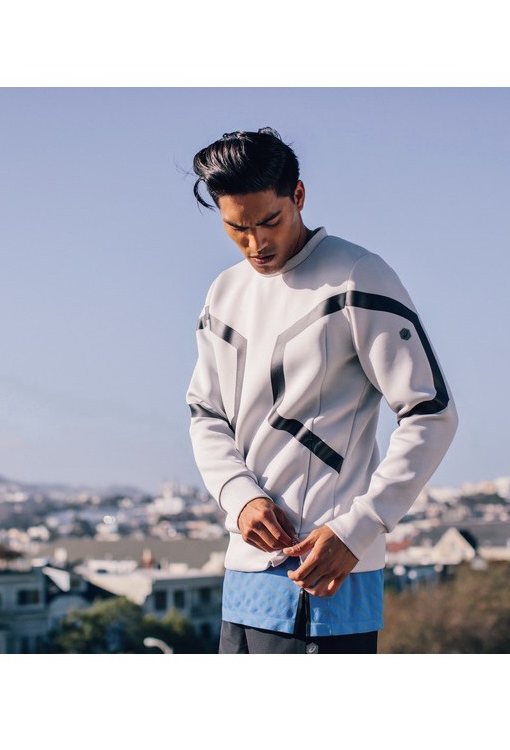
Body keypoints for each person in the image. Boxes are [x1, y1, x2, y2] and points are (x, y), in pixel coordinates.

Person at [186, 127, 458, 654]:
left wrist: (360, 528)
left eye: (270, 221)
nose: (256, 244)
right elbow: (205, 413)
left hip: (329, 577)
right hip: (243, 577)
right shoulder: (224, 292)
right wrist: (239, 498)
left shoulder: (358, 276)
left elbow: (431, 413)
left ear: (299, 195)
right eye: (236, 228)